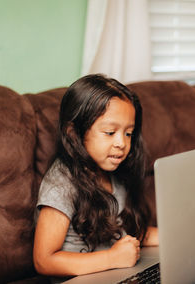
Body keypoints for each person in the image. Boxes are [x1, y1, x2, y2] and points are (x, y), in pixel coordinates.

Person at [33, 74, 158, 278]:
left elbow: (127, 231)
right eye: (110, 132)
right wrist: (112, 258)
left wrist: (175, 233)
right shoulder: (61, 184)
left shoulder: (114, 171)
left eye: (128, 133)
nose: (121, 143)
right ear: (75, 133)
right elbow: (44, 260)